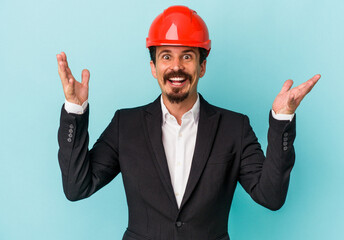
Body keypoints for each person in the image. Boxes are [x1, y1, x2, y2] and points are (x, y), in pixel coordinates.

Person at [57, 5, 320, 240]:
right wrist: (74, 109)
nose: (176, 67)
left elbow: (271, 197)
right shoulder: (125, 125)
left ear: (202, 67)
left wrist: (282, 119)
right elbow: (77, 187)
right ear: (153, 67)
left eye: (187, 56)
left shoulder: (234, 128)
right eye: (166, 56)